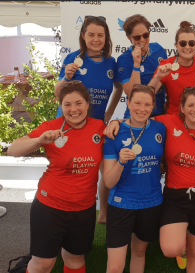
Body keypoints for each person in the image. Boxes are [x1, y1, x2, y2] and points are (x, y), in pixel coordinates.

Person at [105, 87, 195, 272]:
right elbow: (139, 119)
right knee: (171, 249)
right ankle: (181, 245)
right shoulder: (168, 123)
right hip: (175, 195)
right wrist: (115, 121)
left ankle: (188, 242)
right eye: (190, 105)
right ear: (182, 107)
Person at [8, 81, 106, 273]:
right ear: (61, 106)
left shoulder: (99, 128)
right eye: (67, 104)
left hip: (84, 208)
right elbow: (13, 149)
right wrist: (39, 140)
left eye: (78, 103)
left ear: (87, 104)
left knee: (75, 259)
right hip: (50, 206)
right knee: (43, 263)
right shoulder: (51, 127)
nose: (73, 109)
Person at [54, 15, 123, 224]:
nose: (96, 39)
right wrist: (66, 77)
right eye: (91, 34)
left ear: (106, 37)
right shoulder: (73, 59)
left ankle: (103, 213)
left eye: (100, 35)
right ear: (83, 36)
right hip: (69, 126)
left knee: (105, 170)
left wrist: (109, 113)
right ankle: (61, 211)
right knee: (70, 169)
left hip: (95, 126)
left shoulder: (111, 62)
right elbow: (58, 93)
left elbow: (119, 88)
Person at [103, 85, 166, 273]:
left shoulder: (160, 128)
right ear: (128, 103)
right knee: (115, 267)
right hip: (121, 203)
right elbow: (108, 182)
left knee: (139, 252)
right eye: (137, 103)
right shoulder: (113, 132)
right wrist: (121, 162)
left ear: (153, 107)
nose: (142, 108)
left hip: (151, 202)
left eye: (147, 104)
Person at [148, 21, 195, 116]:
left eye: (191, 43)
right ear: (176, 45)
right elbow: (148, 95)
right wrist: (158, 77)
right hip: (174, 118)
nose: (187, 47)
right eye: (183, 43)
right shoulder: (166, 64)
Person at [117, 14, 167, 118]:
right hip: (135, 115)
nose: (142, 40)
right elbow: (131, 93)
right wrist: (136, 64)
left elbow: (167, 80)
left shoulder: (159, 49)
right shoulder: (124, 59)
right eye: (137, 37)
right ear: (129, 37)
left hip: (159, 115)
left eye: (145, 35)